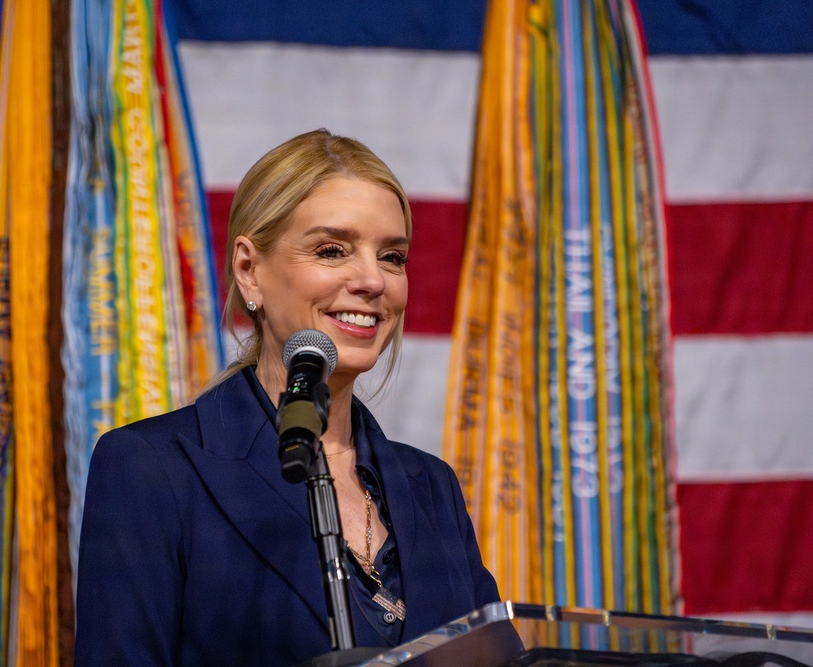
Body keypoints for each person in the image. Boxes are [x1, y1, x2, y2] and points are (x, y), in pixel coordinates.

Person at [74, 129, 501, 666]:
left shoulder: (432, 487)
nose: (373, 279)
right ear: (249, 270)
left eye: (392, 257)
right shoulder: (152, 468)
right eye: (332, 250)